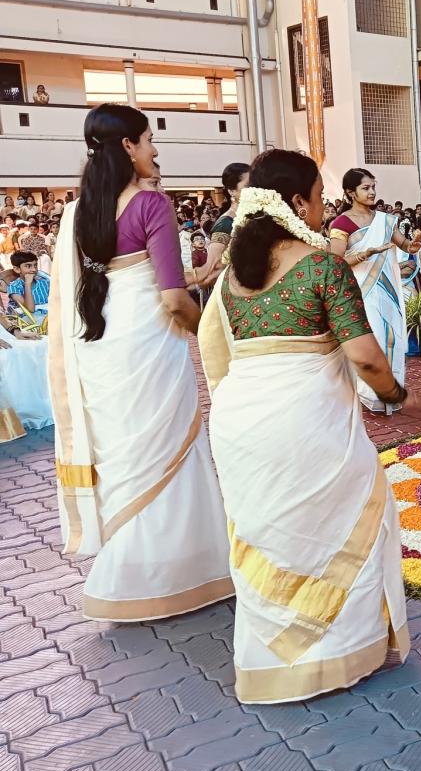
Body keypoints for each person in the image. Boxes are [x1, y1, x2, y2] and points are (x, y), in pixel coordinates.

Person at [198, 149, 409, 704]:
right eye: (318, 197)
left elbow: (214, 347)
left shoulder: (232, 277)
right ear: (296, 203)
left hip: (239, 420)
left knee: (268, 533)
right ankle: (341, 653)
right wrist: (396, 394)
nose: (323, 208)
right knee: (345, 519)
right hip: (306, 420)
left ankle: (271, 663)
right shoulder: (322, 268)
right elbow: (366, 359)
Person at [47, 103, 232, 621]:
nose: (155, 149)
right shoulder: (151, 204)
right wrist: (211, 335)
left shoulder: (79, 211)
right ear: (128, 146)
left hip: (100, 346)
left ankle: (129, 575)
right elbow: (172, 299)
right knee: (170, 449)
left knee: (128, 461)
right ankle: (185, 575)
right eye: (149, 139)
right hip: (148, 347)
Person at [329, 168, 421, 412]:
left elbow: (406, 246)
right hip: (361, 291)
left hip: (388, 291)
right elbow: (335, 262)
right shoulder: (342, 223)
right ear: (351, 192)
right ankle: (370, 393)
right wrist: (364, 254)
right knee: (376, 340)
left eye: (373, 186)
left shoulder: (384, 220)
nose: (372, 192)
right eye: (366, 188)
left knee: (392, 339)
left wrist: (415, 244)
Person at [198, 162, 249, 287]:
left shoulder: (253, 217)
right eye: (248, 186)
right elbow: (213, 267)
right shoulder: (225, 223)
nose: (255, 190)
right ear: (231, 191)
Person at [7, 251, 51, 324]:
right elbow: (30, 309)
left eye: (35, 265)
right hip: (30, 322)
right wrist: (27, 284)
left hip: (48, 318)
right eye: (28, 266)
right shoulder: (14, 287)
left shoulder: (44, 282)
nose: (34, 269)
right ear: (17, 269)